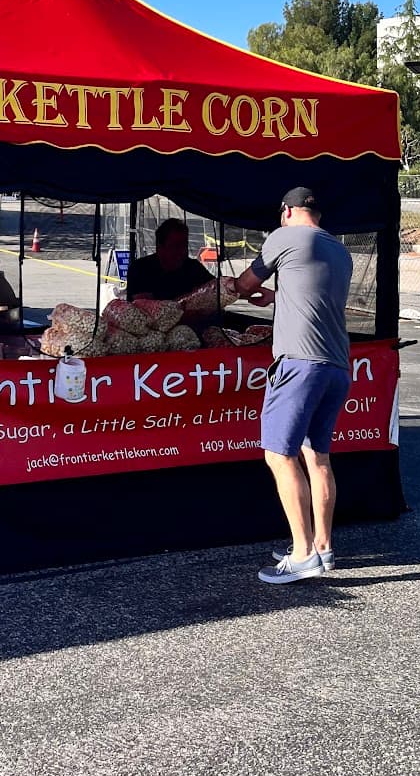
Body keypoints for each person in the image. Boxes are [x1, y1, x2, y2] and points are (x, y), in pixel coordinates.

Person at [233, 187, 352, 585]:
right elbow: (312, 297)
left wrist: (239, 288)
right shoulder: (339, 250)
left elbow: (245, 284)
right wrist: (279, 296)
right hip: (336, 365)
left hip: (299, 365)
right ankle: (322, 546)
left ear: (286, 211)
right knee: (317, 457)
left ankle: (301, 556)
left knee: (278, 455)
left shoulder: (283, 236)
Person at [126, 218, 213, 303]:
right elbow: (144, 307)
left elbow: (215, 290)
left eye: (185, 245)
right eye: (176, 246)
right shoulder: (140, 269)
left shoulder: (194, 268)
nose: (182, 251)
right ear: (160, 247)